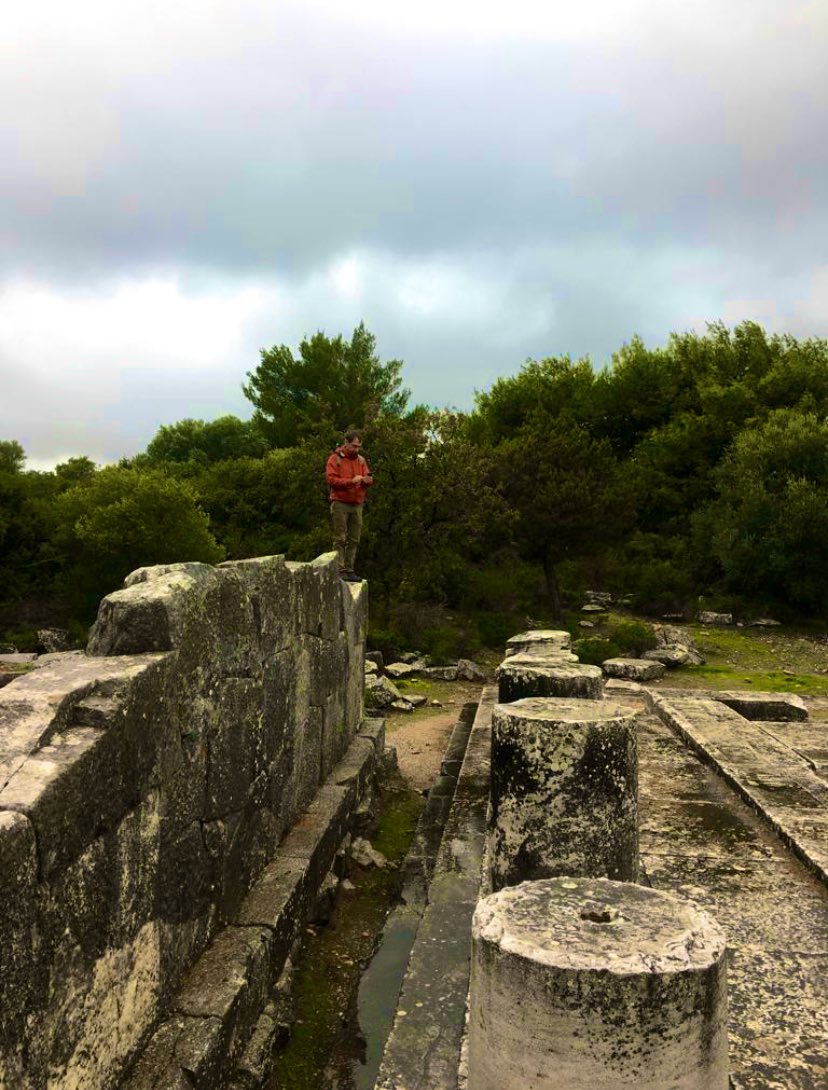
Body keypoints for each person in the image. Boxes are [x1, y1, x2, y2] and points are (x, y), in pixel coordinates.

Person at [326, 429, 374, 581]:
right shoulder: (335, 459)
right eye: (354, 446)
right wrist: (351, 481)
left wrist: (367, 480)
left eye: (359, 446)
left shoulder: (361, 460)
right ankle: (339, 570)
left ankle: (349, 569)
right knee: (340, 537)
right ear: (346, 443)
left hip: (357, 503)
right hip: (340, 502)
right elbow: (331, 480)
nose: (356, 449)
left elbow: (368, 476)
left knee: (354, 538)